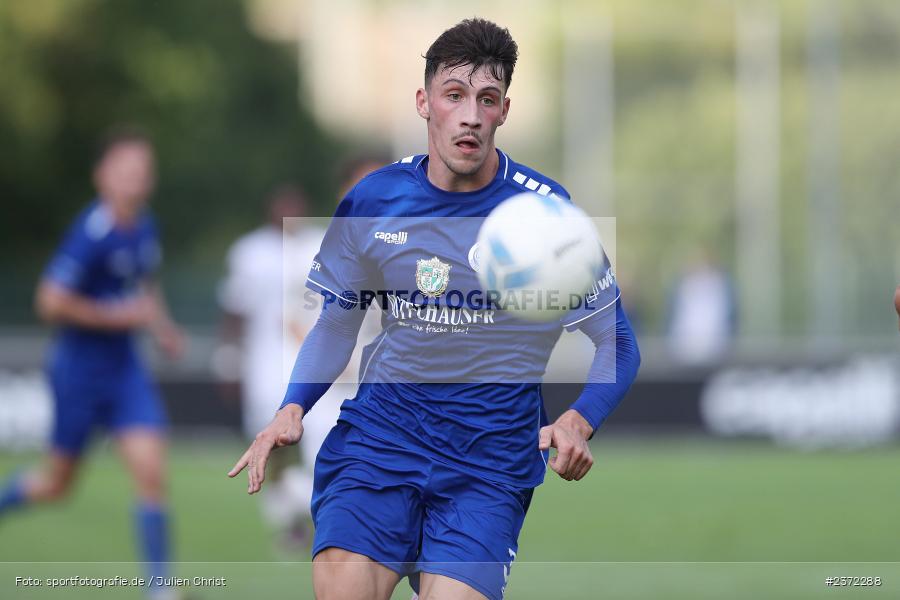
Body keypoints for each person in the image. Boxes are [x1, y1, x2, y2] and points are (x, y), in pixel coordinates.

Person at [229, 18, 641, 600]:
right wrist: (293, 405)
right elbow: (337, 320)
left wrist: (580, 417)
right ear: (425, 102)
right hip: (379, 448)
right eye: (454, 95)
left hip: (487, 470)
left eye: (487, 99)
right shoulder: (374, 199)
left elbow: (617, 341)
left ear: (504, 111)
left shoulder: (546, 218)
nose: (470, 114)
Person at [0, 130, 185, 597]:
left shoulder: (145, 226)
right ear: (102, 175)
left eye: (143, 171)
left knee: (151, 470)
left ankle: (159, 589)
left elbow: (144, 286)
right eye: (126, 170)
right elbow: (49, 301)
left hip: (125, 371)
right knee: (56, 485)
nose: (135, 180)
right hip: (78, 373)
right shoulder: (91, 231)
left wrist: (161, 326)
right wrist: (114, 316)